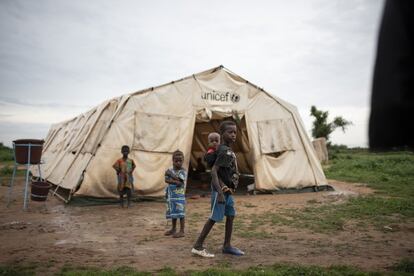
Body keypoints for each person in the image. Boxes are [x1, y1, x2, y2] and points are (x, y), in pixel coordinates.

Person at [191, 120, 243, 258]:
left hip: (227, 192)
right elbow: (214, 171)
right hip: (220, 192)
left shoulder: (227, 150)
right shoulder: (224, 151)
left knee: (230, 216)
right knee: (214, 218)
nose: (233, 135)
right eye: (230, 132)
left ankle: (227, 246)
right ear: (222, 134)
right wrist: (220, 192)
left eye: (235, 132)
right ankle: (197, 246)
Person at [164, 150, 187, 238]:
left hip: (179, 197)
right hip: (171, 196)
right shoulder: (170, 170)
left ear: (183, 161)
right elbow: (166, 180)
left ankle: (182, 231)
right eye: (176, 161)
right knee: (173, 213)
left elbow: (180, 182)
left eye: (180, 161)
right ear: (172, 160)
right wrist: (173, 179)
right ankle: (173, 229)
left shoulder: (183, 171)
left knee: (181, 213)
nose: (178, 163)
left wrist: (171, 175)